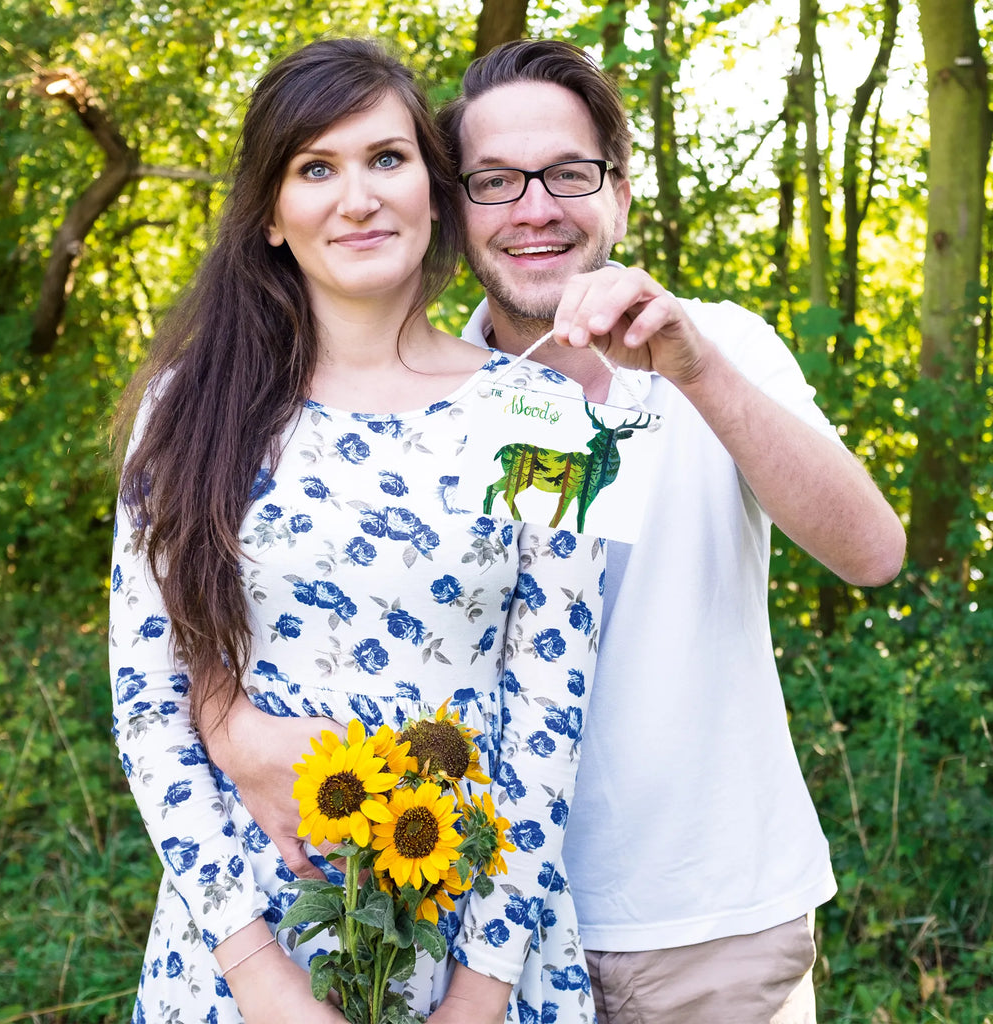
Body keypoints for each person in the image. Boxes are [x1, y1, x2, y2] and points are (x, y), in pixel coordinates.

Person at [205, 38, 906, 1024]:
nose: (534, 209)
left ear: (619, 192)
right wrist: (228, 723)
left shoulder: (721, 348)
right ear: (456, 207)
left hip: (705, 927)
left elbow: (871, 552)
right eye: (495, 181)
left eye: (568, 173)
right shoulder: (432, 395)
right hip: (482, 932)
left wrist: (693, 370)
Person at [109, 38, 605, 1024]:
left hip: (476, 934)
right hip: (243, 944)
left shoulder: (544, 416)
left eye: (386, 158)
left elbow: (550, 708)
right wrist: (261, 978)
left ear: (436, 189)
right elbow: (148, 698)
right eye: (315, 168)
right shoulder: (190, 410)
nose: (359, 196)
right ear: (272, 218)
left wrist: (480, 990)